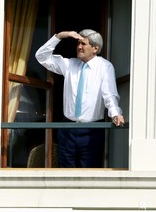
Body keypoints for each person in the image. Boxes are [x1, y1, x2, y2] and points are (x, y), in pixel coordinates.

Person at [35, 30, 125, 168]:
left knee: (88, 175)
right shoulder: (70, 64)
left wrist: (115, 113)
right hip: (67, 129)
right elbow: (41, 56)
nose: (79, 46)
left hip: (91, 131)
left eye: (83, 43)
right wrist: (59, 36)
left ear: (95, 48)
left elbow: (109, 94)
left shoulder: (105, 67)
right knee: (65, 175)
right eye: (78, 43)